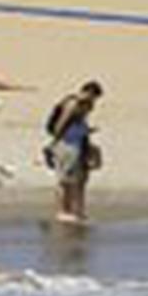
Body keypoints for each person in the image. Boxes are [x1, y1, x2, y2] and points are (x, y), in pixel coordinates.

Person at [42, 82, 103, 223]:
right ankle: (61, 211)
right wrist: (54, 144)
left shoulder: (85, 105)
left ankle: (74, 211)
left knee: (77, 178)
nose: (94, 101)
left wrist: (86, 132)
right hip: (66, 144)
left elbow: (77, 123)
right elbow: (60, 126)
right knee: (64, 180)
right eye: (94, 97)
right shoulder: (73, 104)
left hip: (76, 142)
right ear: (88, 92)